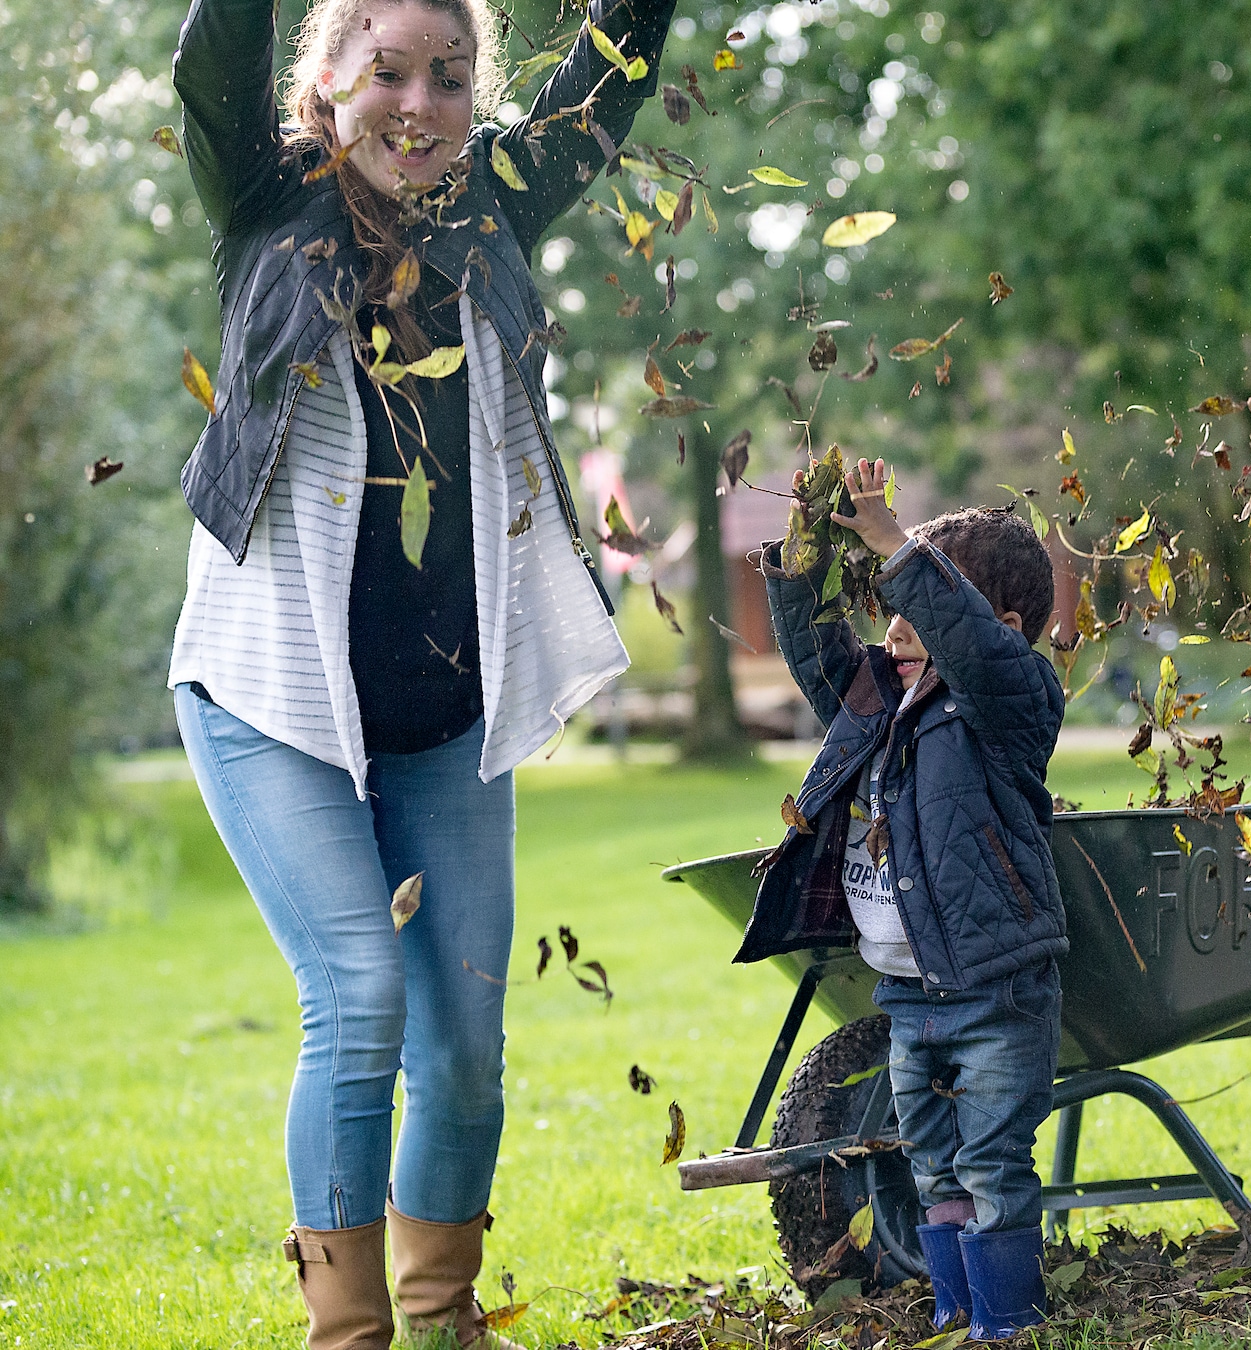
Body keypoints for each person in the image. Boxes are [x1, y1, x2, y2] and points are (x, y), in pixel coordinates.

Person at [165, 0, 673, 1341]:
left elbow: (611, 74)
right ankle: (352, 1336)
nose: (420, 103)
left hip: (442, 713)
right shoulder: (266, 200)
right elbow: (209, 61)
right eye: (386, 71)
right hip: (268, 698)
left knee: (464, 1052)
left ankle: (440, 1326)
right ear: (327, 82)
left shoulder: (498, 202)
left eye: (451, 78)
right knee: (363, 994)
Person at [736, 459, 1066, 1339]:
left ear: (999, 627)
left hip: (994, 992)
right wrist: (804, 552)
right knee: (934, 1165)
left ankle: (1009, 1324)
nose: (896, 627)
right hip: (908, 997)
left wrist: (895, 541)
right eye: (891, 605)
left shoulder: (1012, 702)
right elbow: (818, 652)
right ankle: (961, 1316)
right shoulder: (877, 701)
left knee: (993, 1163)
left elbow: (980, 654)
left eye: (918, 605)